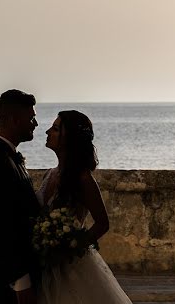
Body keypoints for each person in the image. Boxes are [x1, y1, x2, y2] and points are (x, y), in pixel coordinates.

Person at [35, 110, 132, 304]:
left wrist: (71, 247)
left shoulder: (83, 178)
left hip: (72, 267)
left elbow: (102, 223)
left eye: (55, 129)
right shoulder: (49, 174)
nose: (47, 131)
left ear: (68, 137)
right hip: (44, 266)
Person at [0, 89, 42, 304]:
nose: (36, 123)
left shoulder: (6, 157)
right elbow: (2, 227)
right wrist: (22, 282)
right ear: (13, 120)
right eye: (31, 117)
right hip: (9, 280)